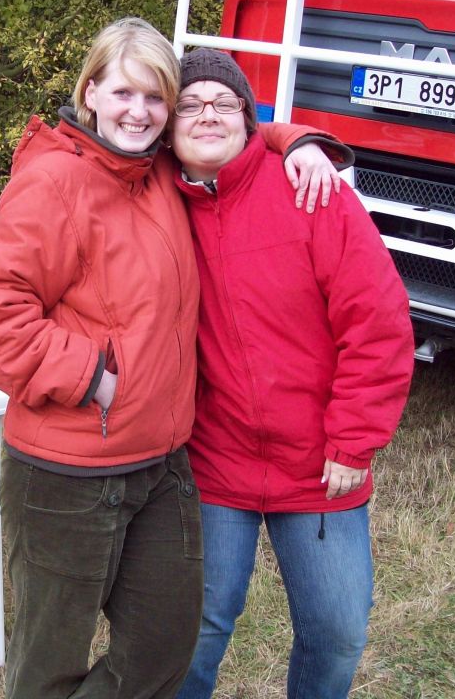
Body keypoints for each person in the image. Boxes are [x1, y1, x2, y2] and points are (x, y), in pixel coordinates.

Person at [0, 18, 350, 699]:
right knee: (48, 665)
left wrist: (297, 141)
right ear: (90, 93)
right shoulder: (54, 182)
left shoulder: (160, 171)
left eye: (155, 98)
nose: (138, 112)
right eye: (122, 93)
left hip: (162, 465)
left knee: (165, 650)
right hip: (67, 473)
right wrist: (90, 375)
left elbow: (228, 131)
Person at [170, 49, 415, 699]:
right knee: (192, 633)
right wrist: (294, 134)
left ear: (248, 118)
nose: (208, 114)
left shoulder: (309, 191)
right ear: (168, 126)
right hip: (215, 457)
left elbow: (378, 321)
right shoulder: (160, 201)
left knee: (337, 632)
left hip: (319, 463)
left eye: (224, 103)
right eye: (189, 104)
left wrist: (353, 439)